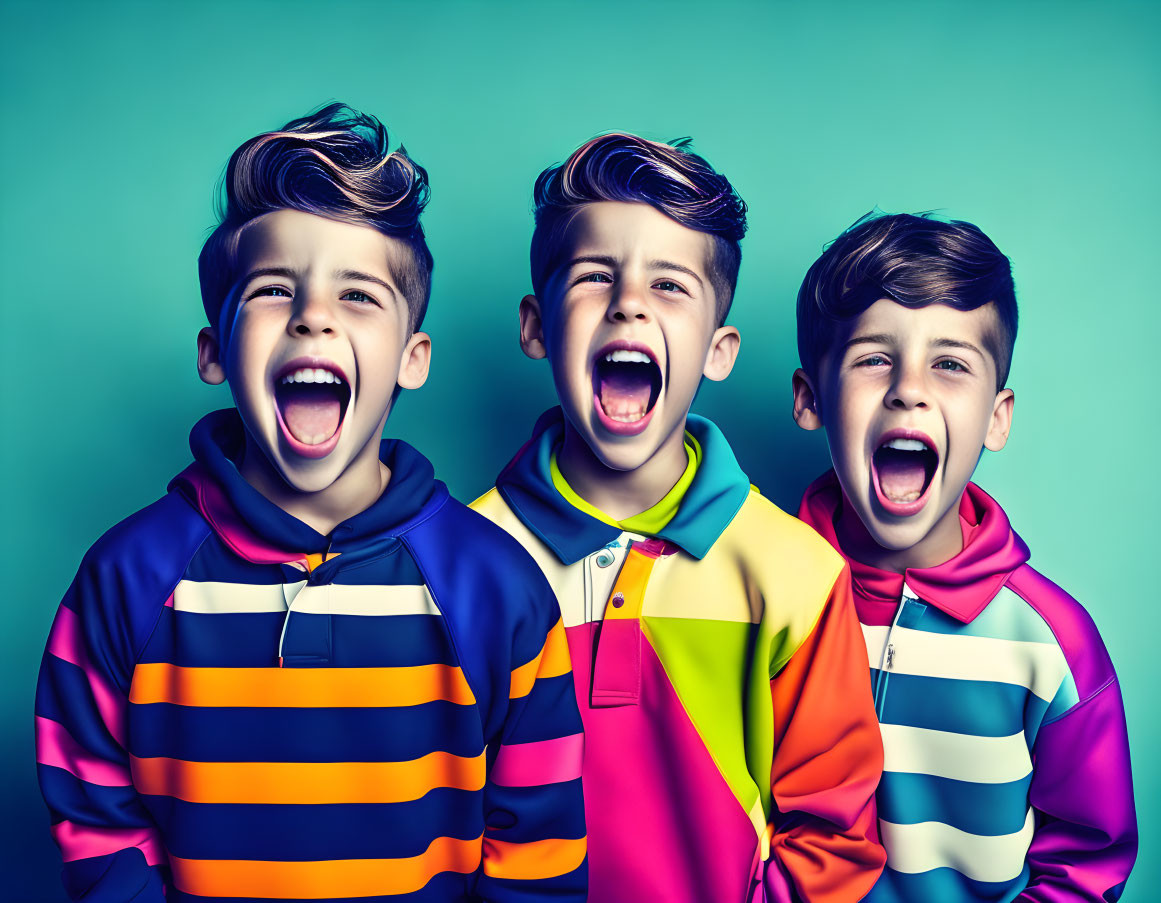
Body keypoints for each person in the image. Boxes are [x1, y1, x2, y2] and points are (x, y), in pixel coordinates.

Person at [35, 104, 586, 903]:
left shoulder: (493, 585)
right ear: (213, 352)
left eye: (358, 296)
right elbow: (95, 819)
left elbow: (535, 848)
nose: (313, 315)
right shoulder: (126, 577)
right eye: (271, 290)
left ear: (411, 357)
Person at [472, 133, 885, 903]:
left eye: (669, 286)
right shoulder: (467, 561)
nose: (628, 302)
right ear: (536, 325)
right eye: (596, 276)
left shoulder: (794, 572)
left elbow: (835, 833)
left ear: (717, 349)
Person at [792, 211, 1138, 902]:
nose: (908, 388)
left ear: (996, 416)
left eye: (949, 364)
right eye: (873, 358)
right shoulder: (762, 601)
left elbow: (1084, 866)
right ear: (810, 400)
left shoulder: (1050, 644)